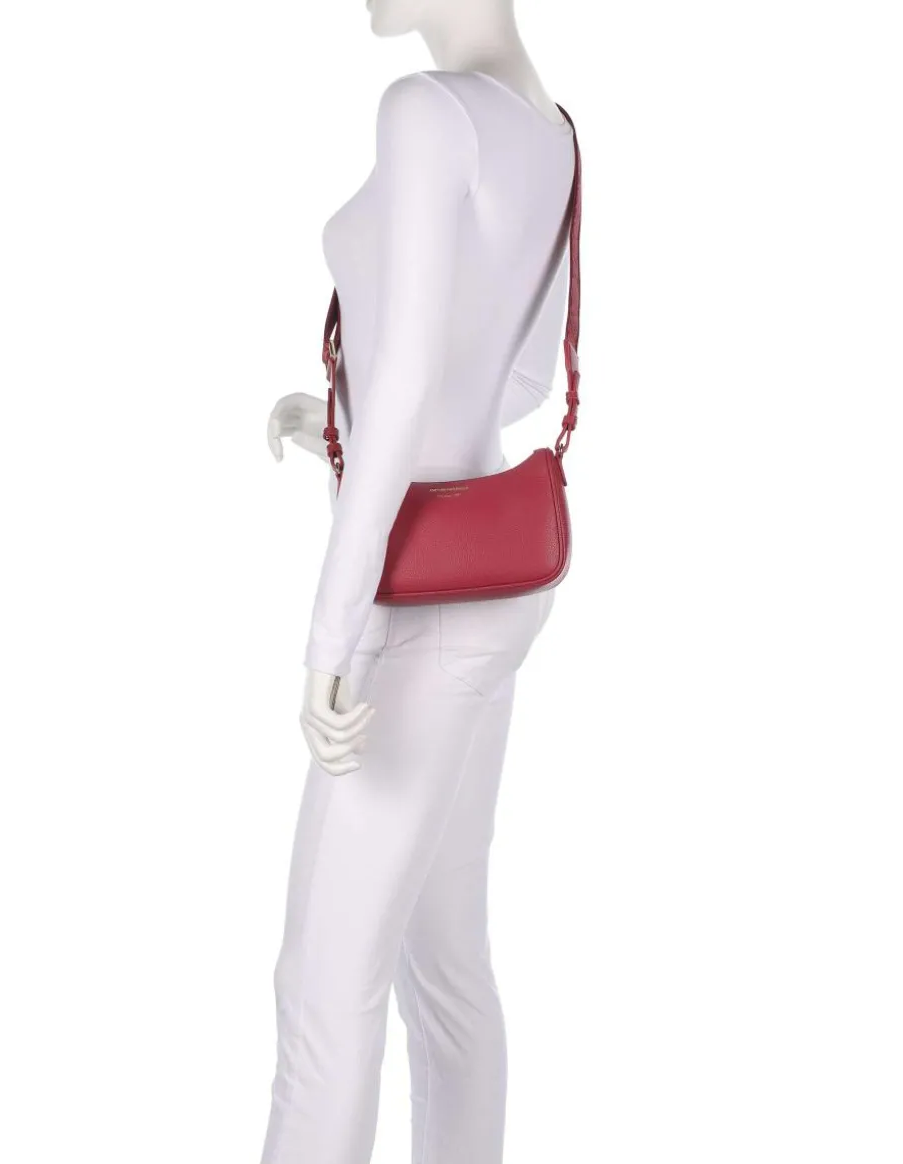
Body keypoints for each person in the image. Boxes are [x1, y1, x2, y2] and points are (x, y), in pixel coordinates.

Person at [261, 3, 579, 1161]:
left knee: (322, 991)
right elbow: (511, 382)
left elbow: (403, 384)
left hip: (412, 608)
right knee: (445, 974)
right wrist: (339, 425)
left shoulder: (426, 111)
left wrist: (328, 640)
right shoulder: (551, 127)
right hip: (495, 580)